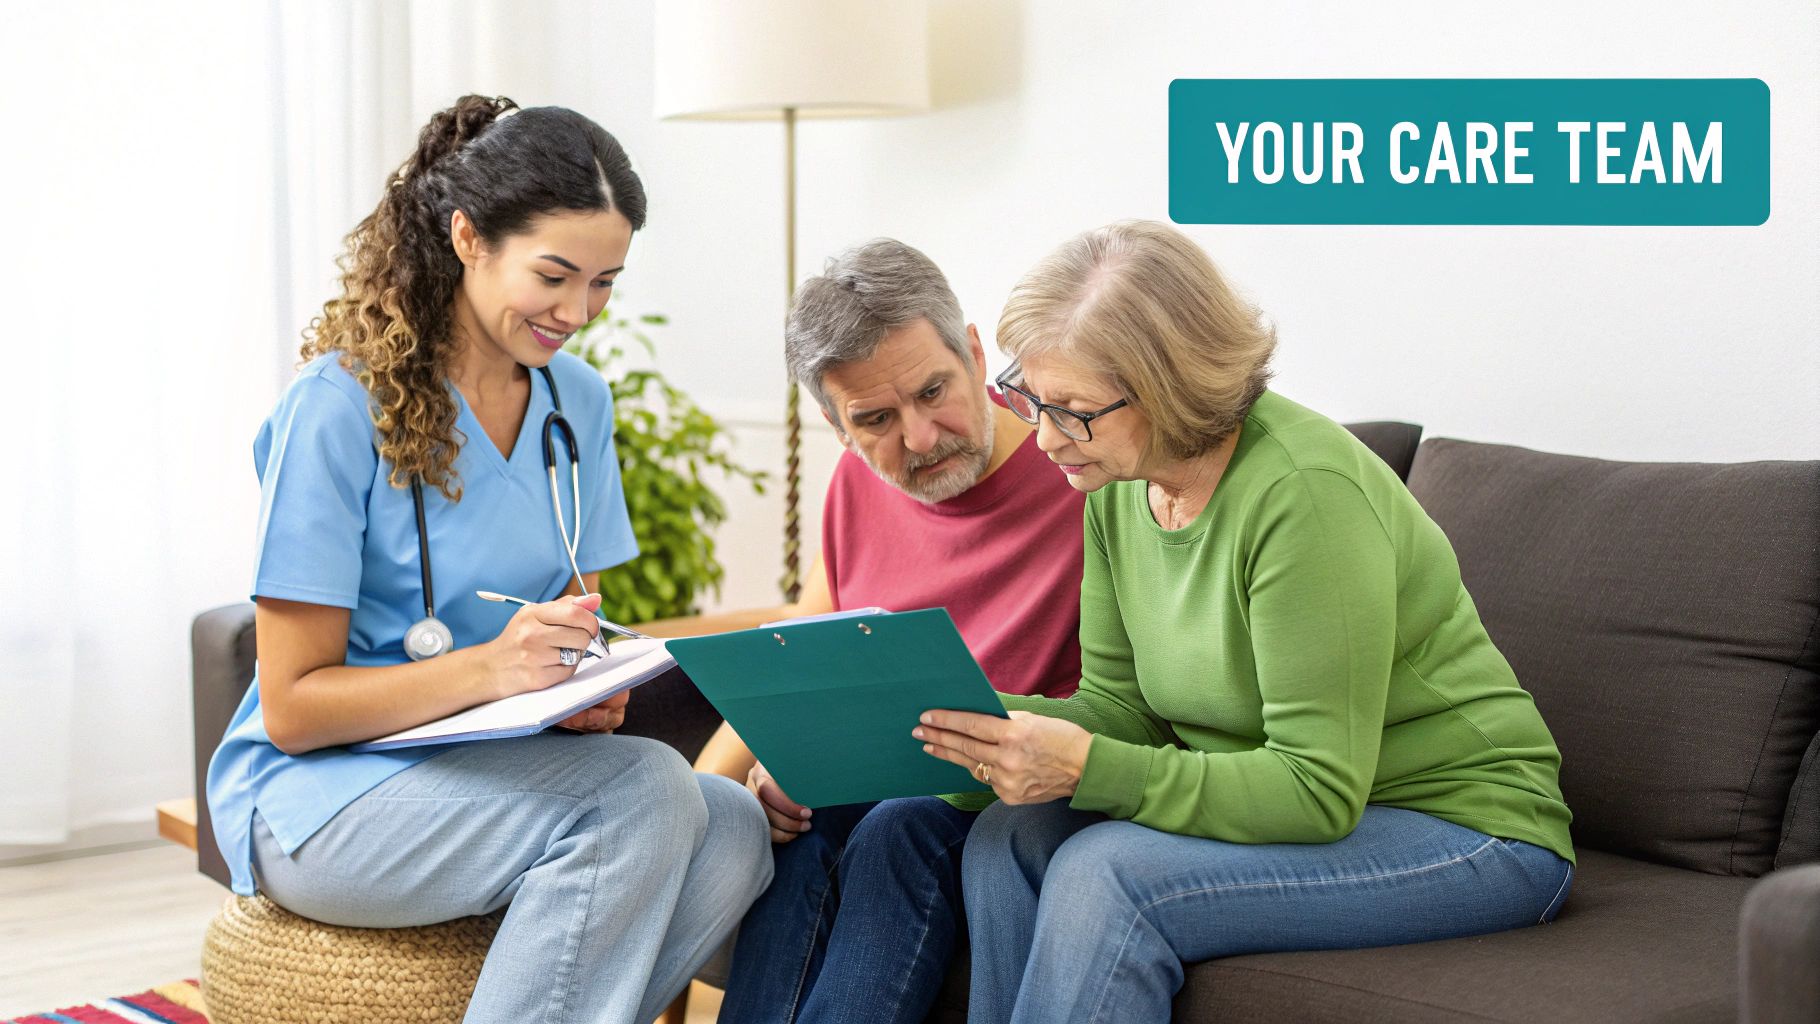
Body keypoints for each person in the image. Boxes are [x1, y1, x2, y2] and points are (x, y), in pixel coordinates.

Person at [915, 220, 1576, 1024]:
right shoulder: (1118, 482)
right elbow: (1124, 711)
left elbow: (1317, 787)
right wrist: (961, 729)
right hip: (1328, 804)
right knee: (1007, 842)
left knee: (1105, 874)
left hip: (1466, 829)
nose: (1047, 437)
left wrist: (1091, 770)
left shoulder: (1304, 495)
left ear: (1165, 387)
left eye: (1075, 411)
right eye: (1031, 400)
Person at [204, 95, 771, 1024]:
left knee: (735, 827)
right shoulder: (336, 409)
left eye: (604, 283)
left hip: (489, 769)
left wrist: (580, 685)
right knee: (643, 795)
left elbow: (578, 616)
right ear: (468, 237)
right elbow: (296, 709)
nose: (578, 311)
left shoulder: (575, 404)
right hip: (318, 796)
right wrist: (497, 671)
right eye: (555, 274)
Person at [698, 239, 1086, 1024]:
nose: (918, 438)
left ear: (975, 353)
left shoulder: (1078, 463)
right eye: (874, 419)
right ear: (835, 425)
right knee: (793, 815)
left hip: (1017, 787)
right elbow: (797, 656)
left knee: (897, 826)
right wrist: (720, 792)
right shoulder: (855, 483)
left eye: (934, 391)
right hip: (885, 774)